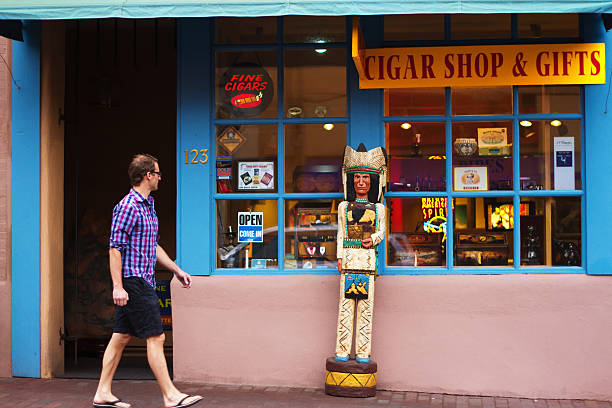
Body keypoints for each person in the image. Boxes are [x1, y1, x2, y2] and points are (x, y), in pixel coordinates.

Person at [93, 154, 203, 408]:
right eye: (158, 173)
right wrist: (118, 286)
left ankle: (102, 393)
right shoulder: (127, 207)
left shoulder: (148, 206)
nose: (161, 177)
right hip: (134, 283)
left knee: (120, 337)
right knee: (156, 337)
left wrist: (177, 269)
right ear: (148, 176)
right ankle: (170, 395)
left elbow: (151, 246)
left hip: (142, 280)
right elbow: (114, 249)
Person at [334, 144, 387, 364]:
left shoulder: (379, 208)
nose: (362, 182)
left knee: (365, 309)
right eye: (357, 178)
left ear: (372, 181)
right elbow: (340, 233)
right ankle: (342, 349)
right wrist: (338, 256)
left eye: (366, 177)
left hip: (367, 261)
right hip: (348, 261)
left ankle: (363, 352)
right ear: (352, 181)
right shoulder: (343, 207)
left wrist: (373, 239)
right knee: (345, 307)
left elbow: (382, 231)